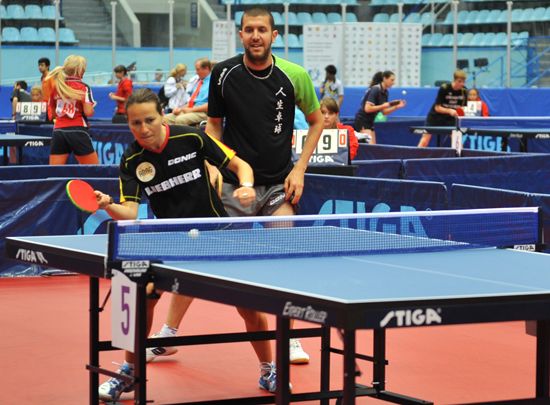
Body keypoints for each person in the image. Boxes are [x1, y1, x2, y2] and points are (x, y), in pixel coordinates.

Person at [145, 7, 324, 380]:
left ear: (275, 35)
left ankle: (288, 335)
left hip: (277, 183)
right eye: (248, 30)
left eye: (262, 30)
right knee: (201, 258)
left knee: (285, 253)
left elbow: (317, 119)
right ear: (240, 35)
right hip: (231, 185)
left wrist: (300, 168)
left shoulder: (295, 75)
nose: (255, 35)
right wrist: (213, 164)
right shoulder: (224, 73)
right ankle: (168, 333)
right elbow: (213, 124)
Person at [95, 88, 260, 401]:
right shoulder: (132, 160)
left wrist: (247, 187)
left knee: (249, 305)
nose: (143, 128)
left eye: (149, 120)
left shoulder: (191, 138)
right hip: (171, 238)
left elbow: (240, 166)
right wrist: (107, 204)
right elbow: (129, 213)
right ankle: (130, 373)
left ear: (162, 116)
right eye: (134, 123)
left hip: (217, 233)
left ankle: (269, 368)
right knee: (136, 295)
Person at [47, 55, 99, 165]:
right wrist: (92, 107)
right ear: (81, 70)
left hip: (58, 131)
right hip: (78, 130)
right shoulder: (84, 87)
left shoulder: (57, 86)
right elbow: (88, 112)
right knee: (94, 171)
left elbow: (51, 113)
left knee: (54, 173)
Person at [353, 70, 406, 145]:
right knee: (370, 147)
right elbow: (367, 109)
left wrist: (396, 107)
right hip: (362, 120)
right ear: (385, 79)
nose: (393, 82)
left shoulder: (385, 92)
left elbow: (384, 112)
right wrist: (384, 105)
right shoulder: (375, 89)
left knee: (373, 146)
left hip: (370, 122)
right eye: (392, 80)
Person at [418, 70, 467, 147]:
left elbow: (463, 108)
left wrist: (460, 112)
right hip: (435, 117)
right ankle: (417, 157)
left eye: (463, 82)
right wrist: (450, 110)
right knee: (425, 140)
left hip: (450, 119)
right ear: (454, 80)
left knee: (458, 142)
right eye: (459, 81)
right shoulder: (444, 88)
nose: (462, 84)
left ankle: (460, 159)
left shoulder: (464, 91)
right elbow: (437, 108)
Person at [163, 58, 211, 127]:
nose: (196, 72)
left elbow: (211, 105)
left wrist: (191, 110)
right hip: (193, 109)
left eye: (198, 69)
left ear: (206, 68)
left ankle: (184, 138)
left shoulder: (212, 83)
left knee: (180, 120)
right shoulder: (198, 82)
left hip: (203, 112)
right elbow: (192, 101)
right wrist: (180, 109)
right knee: (165, 118)